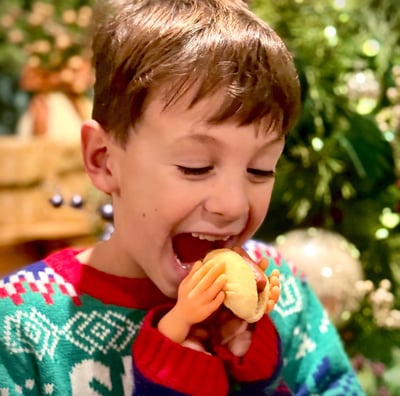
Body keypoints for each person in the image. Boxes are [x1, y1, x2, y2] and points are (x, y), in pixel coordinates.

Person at [0, 0, 365, 394]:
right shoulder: (20, 322)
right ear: (103, 160)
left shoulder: (283, 291)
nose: (234, 204)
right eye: (195, 166)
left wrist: (254, 360)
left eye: (260, 170)